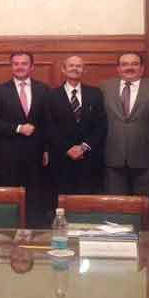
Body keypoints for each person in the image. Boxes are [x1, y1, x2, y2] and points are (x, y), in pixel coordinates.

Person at [100, 52, 149, 229]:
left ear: (142, 68)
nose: (130, 67)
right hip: (113, 155)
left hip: (147, 156)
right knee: (116, 204)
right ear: (118, 68)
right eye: (125, 64)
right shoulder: (105, 87)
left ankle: (148, 237)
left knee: (147, 204)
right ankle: (117, 237)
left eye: (134, 64)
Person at [0, 52, 50, 226]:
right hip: (8, 153)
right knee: (11, 195)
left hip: (36, 153)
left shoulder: (43, 89)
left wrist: (46, 149)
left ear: (32, 66)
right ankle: (10, 229)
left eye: (24, 63)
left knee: (35, 196)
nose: (20, 67)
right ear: (11, 66)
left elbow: (48, 122)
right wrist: (18, 128)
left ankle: (34, 230)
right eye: (16, 63)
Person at [45, 56, 106, 197]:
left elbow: (101, 125)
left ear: (83, 70)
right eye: (71, 65)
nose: (75, 68)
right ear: (63, 69)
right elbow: (49, 126)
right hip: (61, 158)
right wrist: (67, 148)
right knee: (62, 200)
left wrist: (83, 147)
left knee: (87, 200)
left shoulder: (95, 93)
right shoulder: (51, 95)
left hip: (89, 159)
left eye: (78, 66)